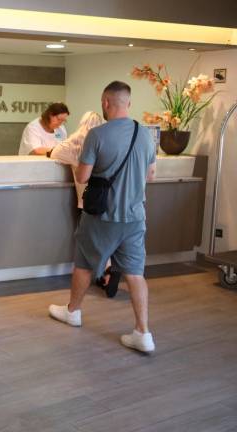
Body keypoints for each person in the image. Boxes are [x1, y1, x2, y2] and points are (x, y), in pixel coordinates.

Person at [48, 81, 157, 354]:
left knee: (85, 263)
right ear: (128, 103)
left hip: (103, 216)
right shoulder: (145, 134)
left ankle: (73, 311)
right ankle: (143, 332)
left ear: (105, 102)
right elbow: (150, 175)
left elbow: (83, 176)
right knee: (135, 273)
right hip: (135, 217)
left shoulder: (97, 135)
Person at [50, 112, 121, 298]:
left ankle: (105, 272)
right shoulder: (105, 138)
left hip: (88, 200)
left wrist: (50, 152)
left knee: (89, 241)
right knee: (103, 237)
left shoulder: (78, 139)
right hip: (109, 198)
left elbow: (57, 153)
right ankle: (106, 271)